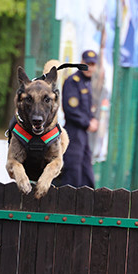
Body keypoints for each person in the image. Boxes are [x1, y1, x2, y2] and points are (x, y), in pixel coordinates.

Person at [58, 50, 99, 188]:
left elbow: (87, 108)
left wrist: (92, 119)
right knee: (73, 168)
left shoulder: (87, 82)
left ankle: (85, 203)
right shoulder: (73, 81)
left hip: (83, 133)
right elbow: (71, 109)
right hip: (73, 132)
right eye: (87, 63)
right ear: (81, 63)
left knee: (86, 169)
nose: (90, 67)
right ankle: (68, 203)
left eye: (92, 64)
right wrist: (88, 122)